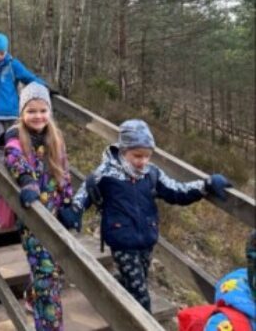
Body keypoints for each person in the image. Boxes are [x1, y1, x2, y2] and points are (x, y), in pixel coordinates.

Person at [72, 119, 233, 312]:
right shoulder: (106, 173)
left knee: (130, 280)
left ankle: (110, 296)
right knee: (141, 297)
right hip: (122, 240)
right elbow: (85, 191)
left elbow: (177, 191)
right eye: (137, 156)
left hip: (146, 240)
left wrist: (205, 185)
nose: (143, 162)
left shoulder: (152, 174)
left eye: (147, 156)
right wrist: (73, 210)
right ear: (124, 151)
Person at [4, 83, 79, 329]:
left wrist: (69, 203)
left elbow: (64, 173)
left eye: (43, 110)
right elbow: (13, 157)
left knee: (52, 270)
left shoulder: (55, 138)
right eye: (31, 111)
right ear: (22, 113)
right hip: (33, 218)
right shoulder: (15, 135)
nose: (38, 116)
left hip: (55, 214)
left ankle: (30, 294)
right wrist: (27, 181)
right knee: (47, 278)